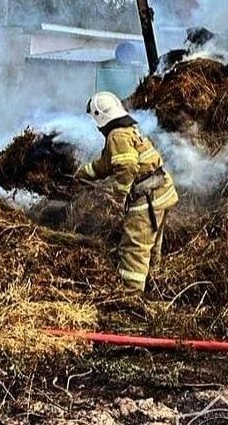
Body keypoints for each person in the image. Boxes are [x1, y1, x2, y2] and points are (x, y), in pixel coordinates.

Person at [74, 91, 179, 292]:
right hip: (162, 191)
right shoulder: (128, 130)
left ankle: (131, 295)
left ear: (100, 116)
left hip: (147, 200)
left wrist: (119, 194)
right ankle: (154, 284)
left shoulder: (116, 135)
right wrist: (83, 173)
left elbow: (127, 167)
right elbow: (107, 164)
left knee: (134, 248)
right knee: (152, 244)